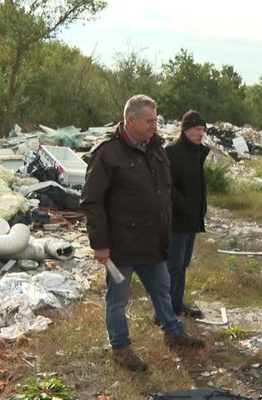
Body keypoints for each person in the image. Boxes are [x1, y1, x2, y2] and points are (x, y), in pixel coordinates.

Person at [80, 94, 205, 372]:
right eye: (149, 121)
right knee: (118, 300)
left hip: (151, 242)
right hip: (120, 247)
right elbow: (91, 201)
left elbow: (164, 191)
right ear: (131, 120)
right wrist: (99, 244)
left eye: (156, 120)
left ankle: (173, 332)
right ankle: (121, 347)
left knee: (162, 289)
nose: (154, 126)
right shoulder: (108, 153)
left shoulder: (156, 148)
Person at [165, 110, 210, 319]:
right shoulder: (173, 151)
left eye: (203, 130)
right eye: (197, 129)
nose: (200, 134)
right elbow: (167, 185)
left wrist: (199, 210)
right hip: (176, 219)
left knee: (182, 264)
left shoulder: (197, 151)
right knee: (172, 266)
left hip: (192, 219)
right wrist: (183, 205)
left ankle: (177, 304)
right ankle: (164, 310)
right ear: (185, 130)